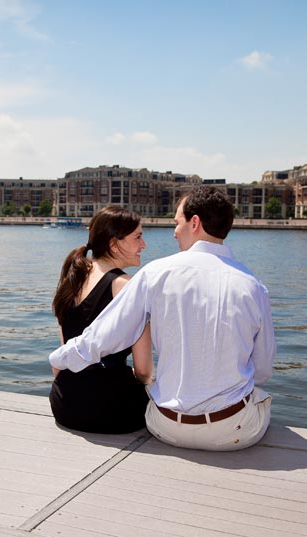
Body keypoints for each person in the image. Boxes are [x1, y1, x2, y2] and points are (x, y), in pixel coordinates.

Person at [50, 186, 275, 450]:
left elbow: (101, 337)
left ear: (195, 223)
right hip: (232, 433)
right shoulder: (254, 286)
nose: (174, 231)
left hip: (166, 427)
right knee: (258, 394)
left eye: (177, 222)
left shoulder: (154, 273)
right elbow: (262, 369)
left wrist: (58, 358)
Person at [49, 206, 154, 434]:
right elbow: (144, 370)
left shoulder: (72, 279)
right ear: (114, 245)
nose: (143, 245)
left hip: (63, 403)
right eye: (138, 237)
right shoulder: (127, 287)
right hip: (109, 410)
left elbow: (63, 356)